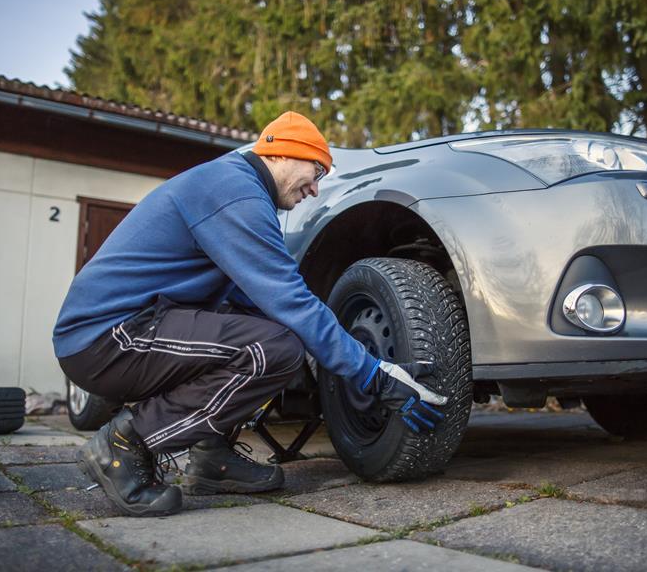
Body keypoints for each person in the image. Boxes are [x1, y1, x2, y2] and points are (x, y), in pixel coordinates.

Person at [53, 111, 447, 517]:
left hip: (133, 328)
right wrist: (372, 375)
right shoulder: (235, 192)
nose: (315, 189)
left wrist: (341, 355)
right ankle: (124, 444)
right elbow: (290, 300)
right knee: (272, 350)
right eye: (316, 171)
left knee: (271, 333)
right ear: (282, 154)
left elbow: (260, 304)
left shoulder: (237, 189)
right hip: (107, 336)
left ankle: (212, 458)